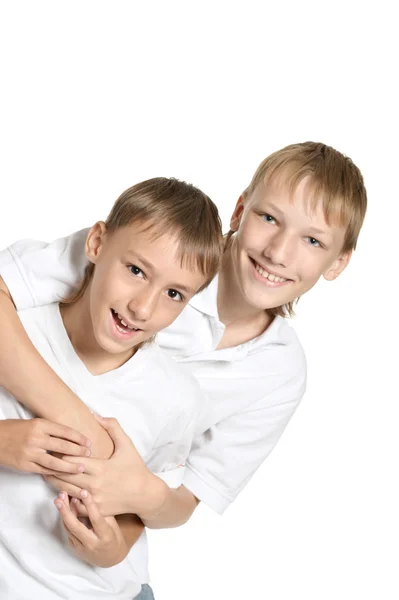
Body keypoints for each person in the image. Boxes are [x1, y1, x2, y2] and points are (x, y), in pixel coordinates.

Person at [0, 141, 367, 598]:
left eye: (312, 241)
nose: (279, 252)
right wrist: (77, 427)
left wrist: (136, 496)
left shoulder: (279, 372)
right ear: (239, 211)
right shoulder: (151, 246)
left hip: (99, 578)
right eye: (269, 218)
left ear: (338, 262)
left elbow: (180, 498)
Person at [0, 177, 223, 600]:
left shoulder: (177, 399)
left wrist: (111, 548)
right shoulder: (20, 325)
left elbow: (141, 505)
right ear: (98, 243)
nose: (143, 307)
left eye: (174, 293)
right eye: (136, 270)